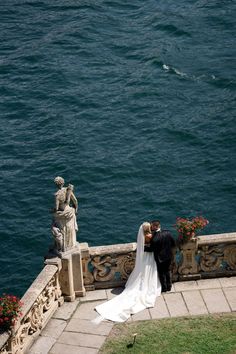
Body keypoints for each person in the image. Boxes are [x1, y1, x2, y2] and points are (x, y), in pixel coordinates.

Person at [93, 222, 162, 323]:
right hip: (149, 256)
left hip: (144, 257)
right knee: (149, 271)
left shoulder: (143, 235)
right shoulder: (150, 235)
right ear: (148, 228)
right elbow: (154, 243)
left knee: (143, 272)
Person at [149, 220, 176, 292]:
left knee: (161, 273)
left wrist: (142, 248)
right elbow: (173, 244)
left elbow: (151, 249)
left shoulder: (154, 238)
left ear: (155, 227)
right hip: (169, 256)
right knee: (167, 270)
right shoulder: (168, 233)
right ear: (159, 226)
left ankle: (164, 288)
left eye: (151, 226)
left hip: (160, 258)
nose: (151, 227)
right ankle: (169, 286)